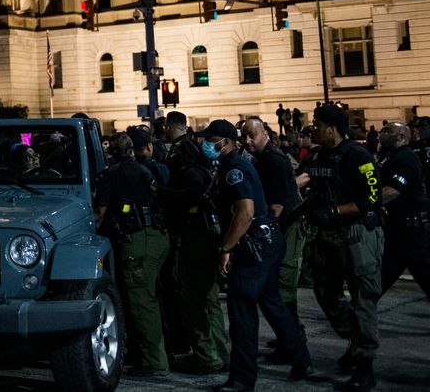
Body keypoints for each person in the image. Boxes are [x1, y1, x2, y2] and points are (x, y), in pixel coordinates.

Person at [201, 120, 310, 392]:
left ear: (225, 142)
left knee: (242, 313)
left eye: (210, 140)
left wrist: (225, 249)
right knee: (272, 303)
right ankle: (300, 357)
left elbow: (245, 212)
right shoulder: (234, 164)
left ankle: (242, 379)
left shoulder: (234, 170)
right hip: (267, 243)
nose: (206, 145)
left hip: (253, 248)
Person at [303, 104, 384, 392]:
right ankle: (357, 338)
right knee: (324, 291)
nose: (313, 128)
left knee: (364, 297)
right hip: (328, 235)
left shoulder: (358, 155)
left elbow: (371, 199)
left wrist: (335, 211)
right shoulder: (319, 155)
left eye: (317, 123)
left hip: (357, 233)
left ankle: (365, 366)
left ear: (332, 128)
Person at [93, 133, 169, 378]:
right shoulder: (146, 169)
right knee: (150, 297)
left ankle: (155, 362)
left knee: (141, 301)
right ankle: (152, 353)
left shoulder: (111, 174)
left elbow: (100, 214)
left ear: (112, 151)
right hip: (157, 237)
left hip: (136, 240)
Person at [159, 132, 229, 375]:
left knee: (194, 300)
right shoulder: (203, 170)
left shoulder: (190, 173)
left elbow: (193, 196)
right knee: (209, 299)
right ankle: (219, 354)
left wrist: (162, 194)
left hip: (197, 236)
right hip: (207, 233)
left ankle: (207, 358)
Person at [241, 117, 307, 347]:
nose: (247, 141)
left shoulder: (274, 160)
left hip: (287, 227)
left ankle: (293, 338)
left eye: (252, 135)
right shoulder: (261, 159)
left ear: (265, 135)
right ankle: (288, 338)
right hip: (281, 227)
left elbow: (276, 207)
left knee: (284, 286)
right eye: (244, 136)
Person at [376, 122, 430, 296]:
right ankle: (357, 317)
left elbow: (392, 191)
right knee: (381, 278)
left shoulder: (405, 158)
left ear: (401, 137)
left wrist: (363, 204)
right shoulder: (392, 156)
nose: (382, 133)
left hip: (413, 230)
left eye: (388, 131)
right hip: (400, 227)